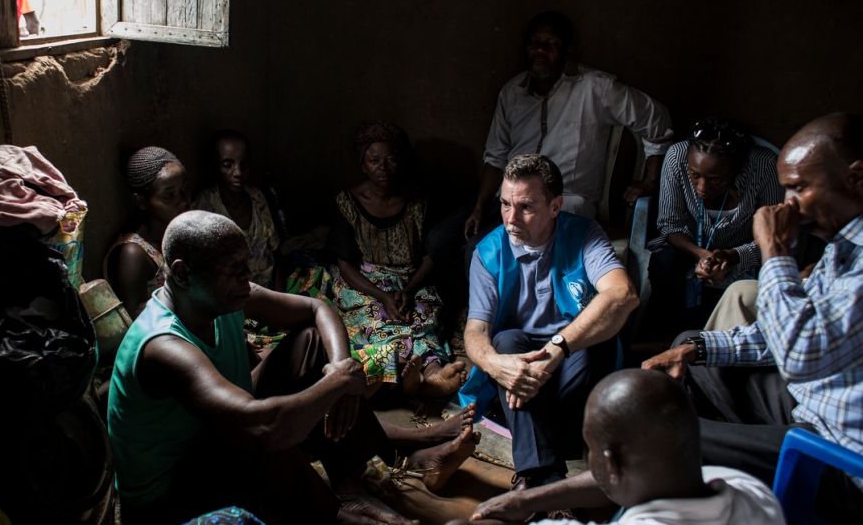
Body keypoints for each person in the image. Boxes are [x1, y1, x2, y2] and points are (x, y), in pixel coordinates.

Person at [108, 210, 480, 525]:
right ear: (183, 274)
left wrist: (338, 370)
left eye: (245, 267)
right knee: (267, 433)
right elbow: (260, 427)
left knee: (313, 345)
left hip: (216, 434)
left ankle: (350, 483)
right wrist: (337, 385)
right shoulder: (164, 347)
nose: (246, 279)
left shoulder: (218, 296)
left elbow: (318, 309)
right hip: (170, 493)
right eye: (233, 271)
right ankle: (335, 512)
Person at [642, 113, 863, 521]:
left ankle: (720, 481)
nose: (790, 202)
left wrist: (775, 251)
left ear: (856, 178)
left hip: (842, 455)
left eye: (800, 187)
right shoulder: (842, 245)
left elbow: (797, 356)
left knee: (658, 440)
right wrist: (698, 348)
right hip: (812, 408)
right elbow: (776, 335)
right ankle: (728, 486)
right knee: (688, 349)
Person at [425, 10, 672, 287]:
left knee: (479, 252)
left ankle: (492, 318)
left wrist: (650, 180)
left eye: (550, 44)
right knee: (440, 242)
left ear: (567, 51)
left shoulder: (596, 88)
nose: (540, 50)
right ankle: (479, 304)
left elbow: (657, 120)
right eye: (534, 43)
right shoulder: (512, 92)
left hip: (563, 203)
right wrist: (480, 207)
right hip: (507, 198)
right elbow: (496, 158)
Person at [460, 153, 639, 489]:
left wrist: (559, 348)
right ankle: (545, 475)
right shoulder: (487, 251)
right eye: (505, 205)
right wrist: (496, 365)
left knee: (595, 338)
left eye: (526, 207)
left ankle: (534, 450)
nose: (511, 219)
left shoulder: (584, 234)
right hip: (524, 369)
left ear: (555, 206)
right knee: (506, 341)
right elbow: (476, 330)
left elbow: (623, 294)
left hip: (571, 362)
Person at [451, 370, 785, 525]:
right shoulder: (750, 490)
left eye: (592, 449)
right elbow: (617, 477)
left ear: (610, 463)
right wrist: (527, 499)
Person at [328, 121, 467, 399]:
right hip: (366, 283)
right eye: (374, 160)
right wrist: (382, 296)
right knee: (376, 321)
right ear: (363, 164)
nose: (383, 168)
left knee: (420, 319)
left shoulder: (418, 199)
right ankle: (401, 371)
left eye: (390, 159)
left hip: (412, 279)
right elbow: (345, 265)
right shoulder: (347, 202)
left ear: (401, 161)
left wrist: (409, 289)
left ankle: (432, 374)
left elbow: (430, 257)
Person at [645, 117, 784, 337]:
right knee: (664, 263)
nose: (702, 187)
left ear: (740, 167)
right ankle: (669, 337)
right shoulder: (677, 155)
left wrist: (732, 256)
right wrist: (704, 256)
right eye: (695, 175)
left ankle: (720, 341)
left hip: (742, 250)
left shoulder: (764, 166)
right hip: (689, 246)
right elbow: (670, 225)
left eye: (716, 180)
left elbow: (772, 238)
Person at [105, 146, 191, 319]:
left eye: (184, 189)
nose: (183, 200)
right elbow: (135, 319)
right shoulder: (133, 253)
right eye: (169, 196)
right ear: (141, 201)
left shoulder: (180, 234)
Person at [194, 130, 281, 289]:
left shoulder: (257, 198)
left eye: (244, 164)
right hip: (232, 299)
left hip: (268, 293)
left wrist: (280, 299)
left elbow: (276, 253)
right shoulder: (205, 206)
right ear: (214, 166)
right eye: (228, 165)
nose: (238, 172)